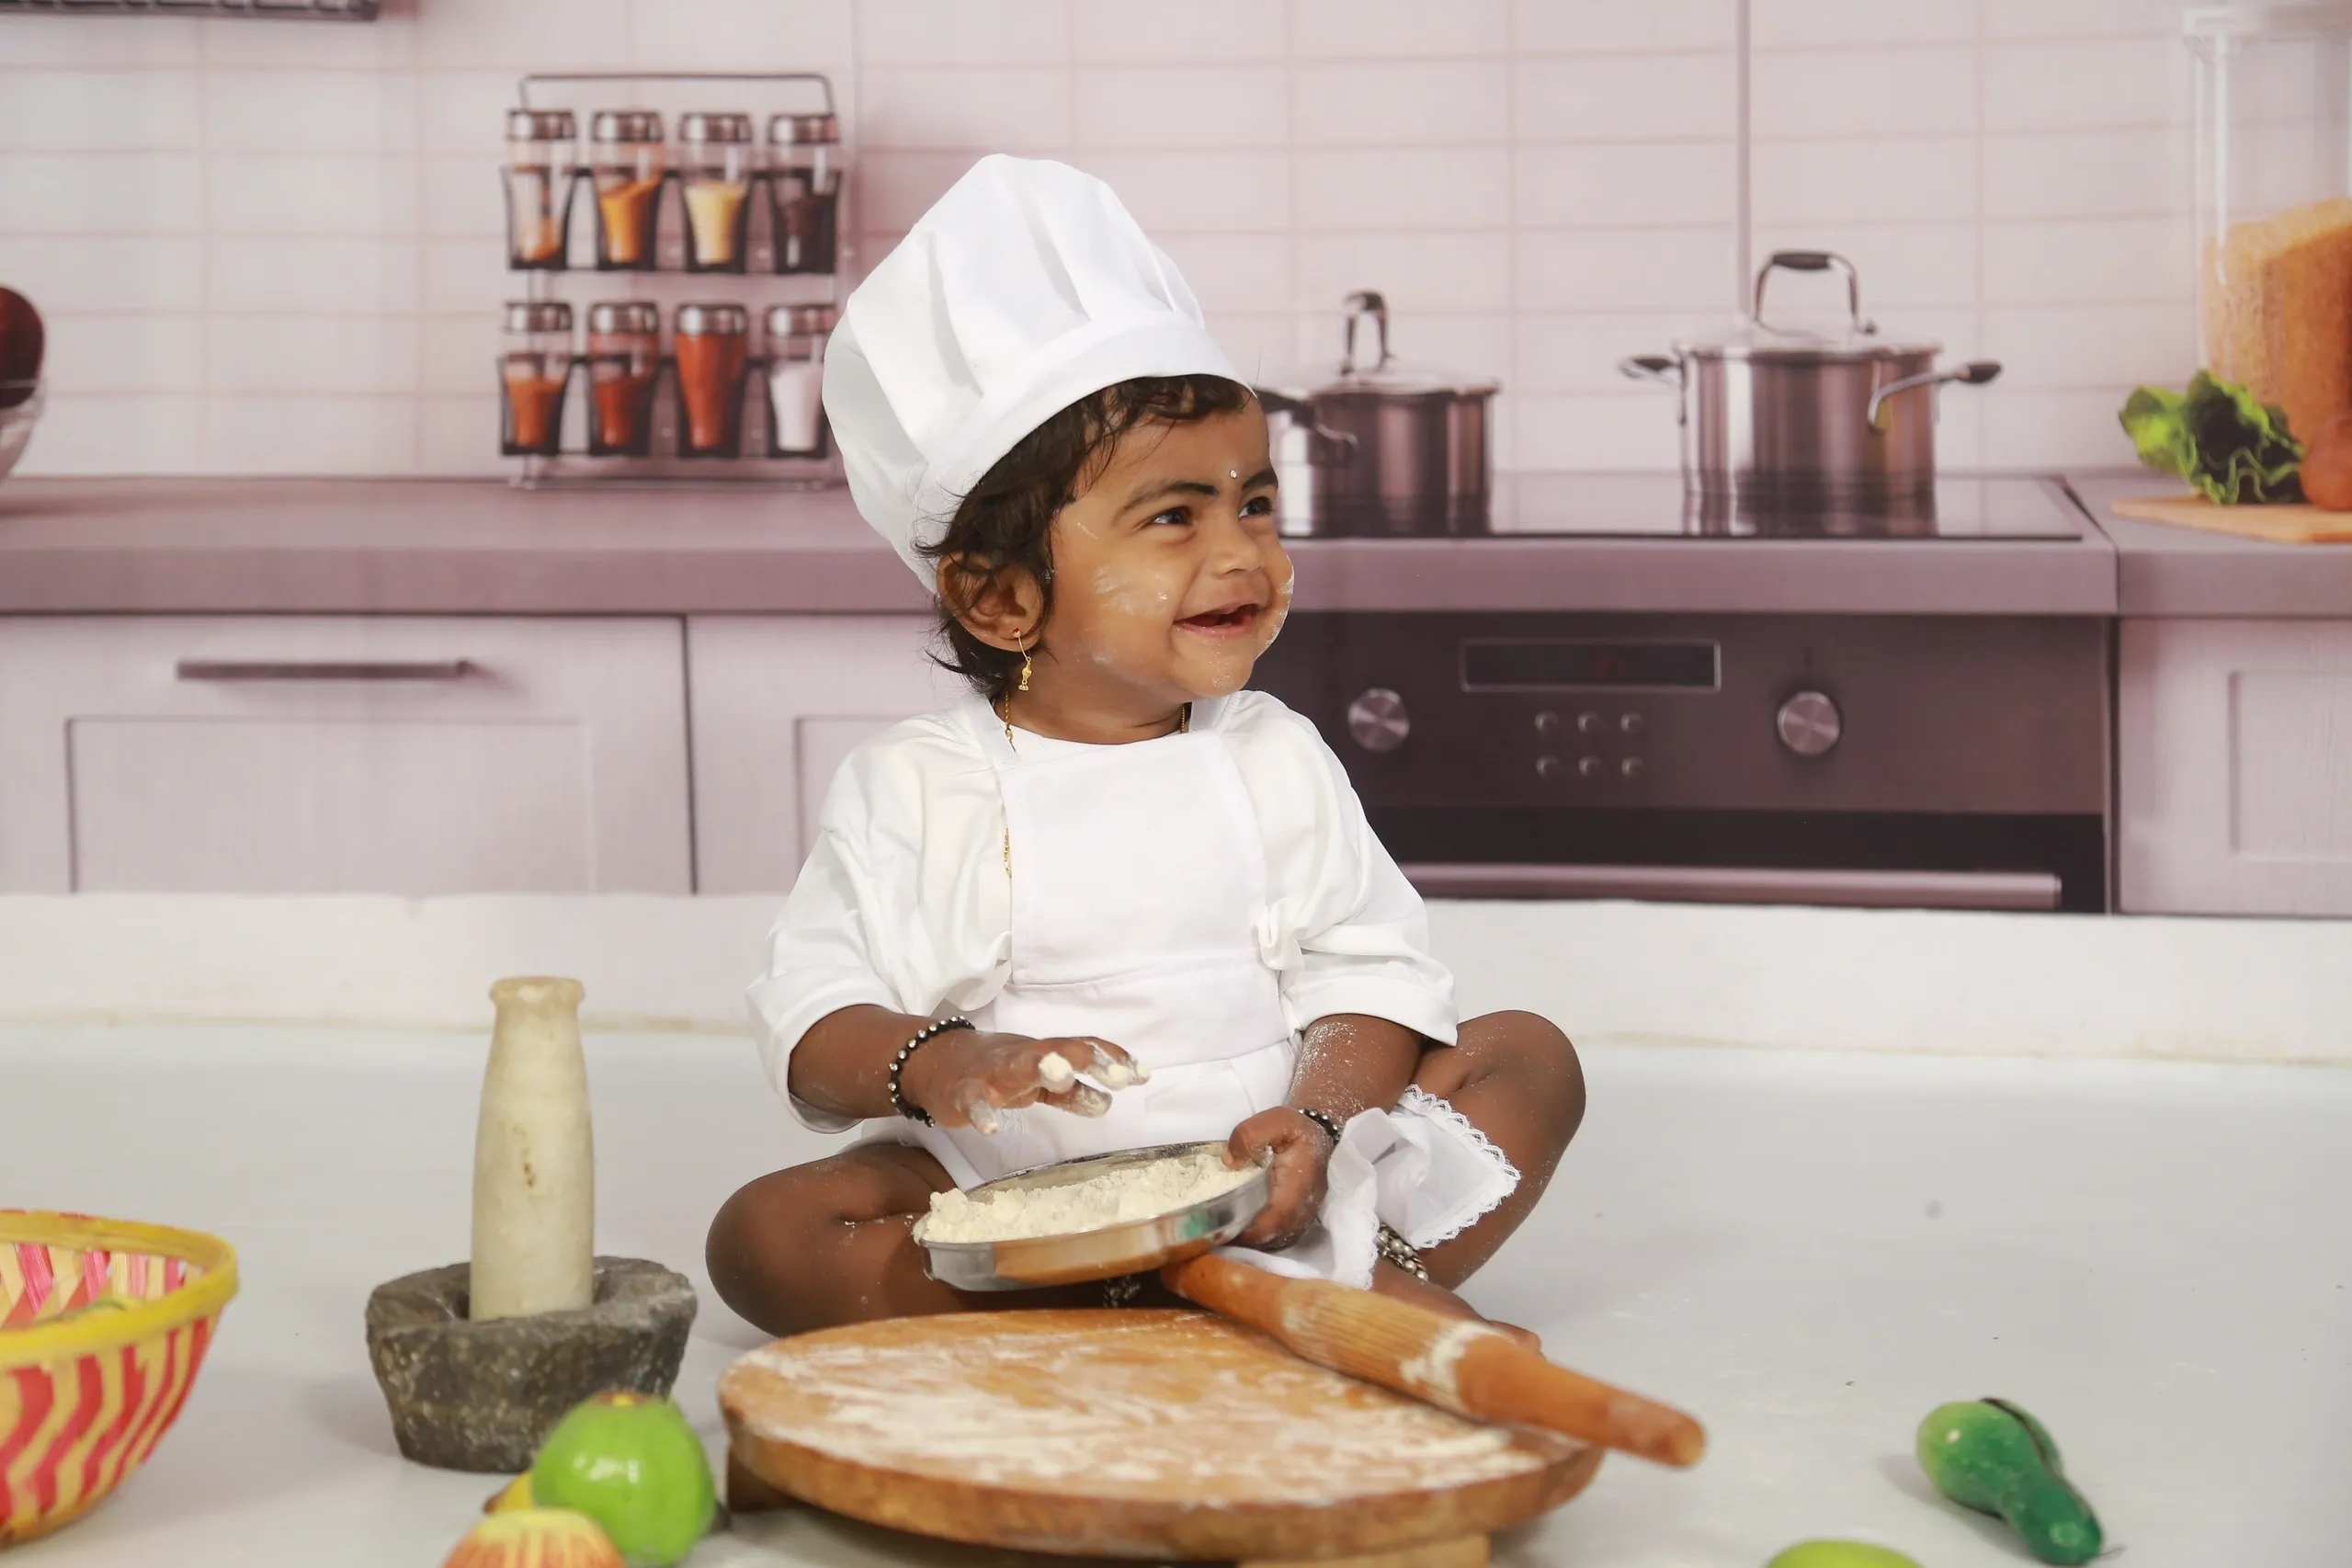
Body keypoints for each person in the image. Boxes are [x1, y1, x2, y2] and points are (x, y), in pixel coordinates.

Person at [707, 155, 1583, 1339]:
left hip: (1268, 1169)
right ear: (1001, 596)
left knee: (1527, 1058)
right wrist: (945, 1064)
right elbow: (816, 1012)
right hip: (1022, 1193)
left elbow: (1370, 977)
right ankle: (1195, 1291)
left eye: (1255, 503)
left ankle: (1257, 1265)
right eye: (1174, 516)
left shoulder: (1275, 755)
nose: (1242, 554)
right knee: (766, 1234)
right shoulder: (918, 785)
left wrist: (1321, 1124)